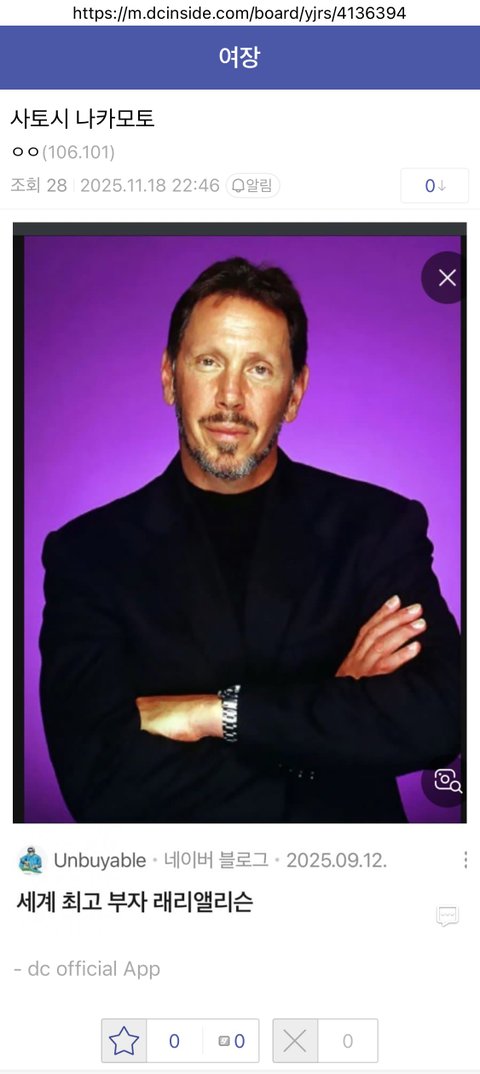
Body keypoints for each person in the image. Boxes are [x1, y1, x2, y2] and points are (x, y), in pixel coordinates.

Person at [39, 257, 460, 824]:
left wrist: (216, 714)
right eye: (209, 362)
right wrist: (334, 705)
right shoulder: (88, 555)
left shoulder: (378, 527)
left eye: (259, 369)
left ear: (295, 392)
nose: (231, 396)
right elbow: (101, 784)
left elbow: (442, 719)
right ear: (169, 376)